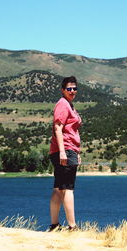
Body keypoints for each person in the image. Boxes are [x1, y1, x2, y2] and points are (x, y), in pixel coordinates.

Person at [48, 76, 82, 232]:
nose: (72, 91)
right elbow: (58, 128)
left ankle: (54, 225)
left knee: (58, 188)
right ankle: (72, 227)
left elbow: (71, 130)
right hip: (65, 150)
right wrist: (63, 152)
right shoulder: (63, 104)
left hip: (67, 150)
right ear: (63, 90)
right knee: (68, 189)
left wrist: (77, 151)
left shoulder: (69, 105)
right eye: (69, 88)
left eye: (74, 88)